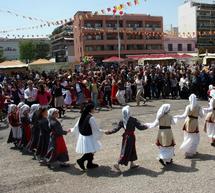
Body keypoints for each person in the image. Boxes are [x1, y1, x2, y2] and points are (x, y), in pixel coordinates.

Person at [105, 106, 148, 171]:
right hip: (131, 137)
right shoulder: (133, 119)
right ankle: (117, 164)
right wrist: (147, 126)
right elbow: (140, 127)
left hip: (126, 137)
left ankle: (132, 164)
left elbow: (116, 129)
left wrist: (109, 132)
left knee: (130, 149)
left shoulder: (122, 120)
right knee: (126, 151)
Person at [71, 103, 103, 171]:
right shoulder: (91, 118)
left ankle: (89, 164)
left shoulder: (83, 115)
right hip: (88, 136)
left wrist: (72, 130)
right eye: (94, 108)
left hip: (83, 136)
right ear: (91, 109)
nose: (95, 109)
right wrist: (103, 131)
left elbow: (77, 125)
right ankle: (81, 160)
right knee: (91, 150)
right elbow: (95, 129)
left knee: (90, 150)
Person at [174, 94, 203, 158]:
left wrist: (177, 116)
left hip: (188, 122)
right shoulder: (199, 107)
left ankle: (188, 151)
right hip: (194, 123)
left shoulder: (188, 107)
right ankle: (191, 151)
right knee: (195, 137)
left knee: (187, 136)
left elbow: (183, 116)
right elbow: (202, 116)